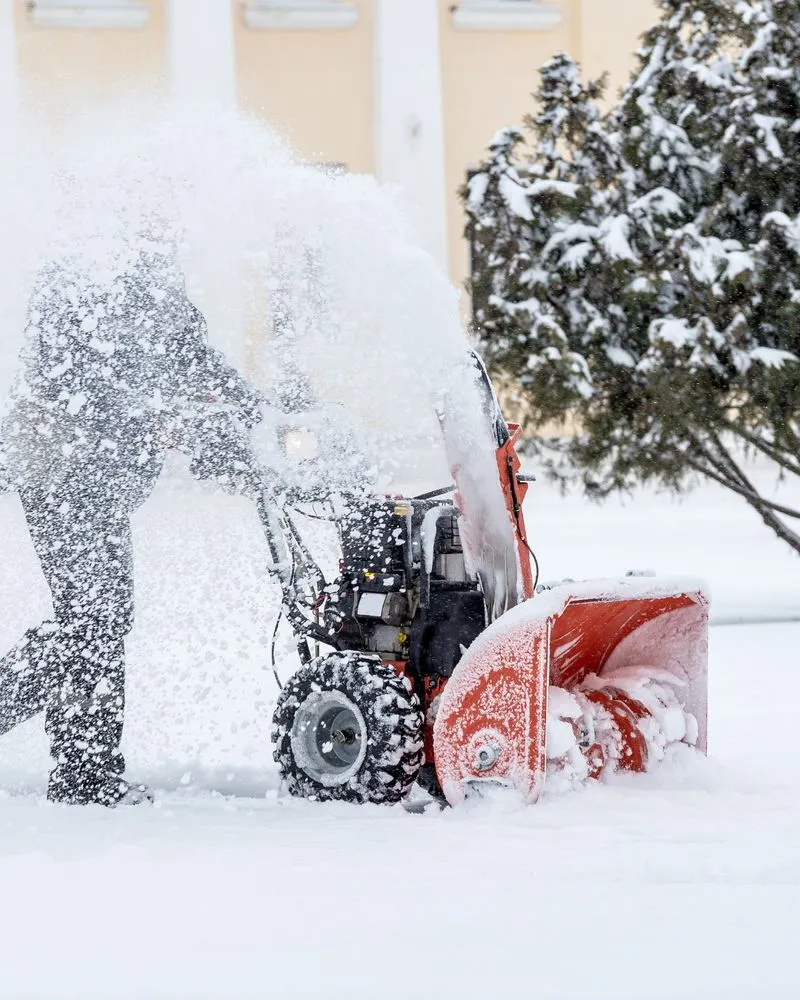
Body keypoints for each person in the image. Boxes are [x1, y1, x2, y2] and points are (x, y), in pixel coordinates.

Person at [0, 245, 266, 806]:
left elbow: (194, 360)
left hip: (99, 477)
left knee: (99, 619)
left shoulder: (153, 278)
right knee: (96, 619)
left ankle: (85, 772)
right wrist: (160, 407)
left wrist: (260, 417)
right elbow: (76, 373)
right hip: (61, 468)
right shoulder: (73, 269)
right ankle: (82, 772)